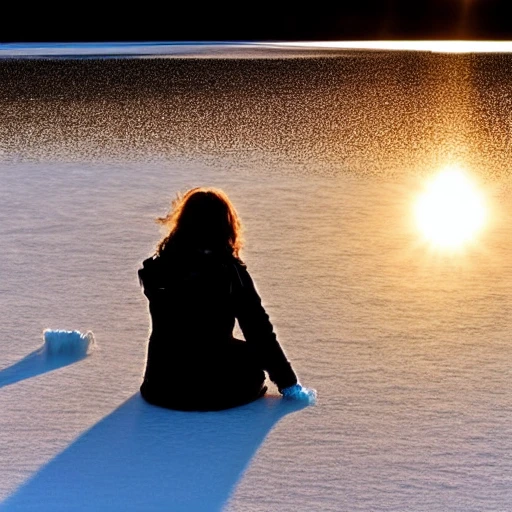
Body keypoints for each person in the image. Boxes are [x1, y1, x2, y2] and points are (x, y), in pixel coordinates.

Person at [138, 186, 316, 411]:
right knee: (252, 361)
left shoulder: (158, 268)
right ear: (225, 225)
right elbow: (258, 331)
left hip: (159, 387)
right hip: (212, 392)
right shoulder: (230, 273)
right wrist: (288, 383)